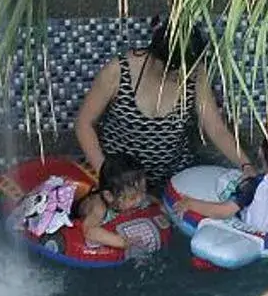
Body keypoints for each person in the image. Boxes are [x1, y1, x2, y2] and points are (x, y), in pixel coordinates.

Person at [73, 18, 250, 185]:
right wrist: (107, 174)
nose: (184, 79)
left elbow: (215, 128)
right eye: (177, 75)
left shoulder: (195, 73)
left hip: (172, 176)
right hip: (121, 175)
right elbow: (84, 124)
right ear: (158, 61)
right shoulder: (119, 71)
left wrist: (245, 165)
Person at [183, 123, 268, 234]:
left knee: (229, 183)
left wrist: (191, 204)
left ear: (260, 152)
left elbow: (225, 211)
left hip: (254, 233)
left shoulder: (254, 184)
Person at [72, 153, 166, 257]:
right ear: (109, 196)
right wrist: (122, 242)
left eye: (142, 191)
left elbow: (148, 198)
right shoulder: (99, 207)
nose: (140, 200)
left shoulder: (133, 197)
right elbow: (90, 232)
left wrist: (161, 205)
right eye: (133, 197)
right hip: (75, 210)